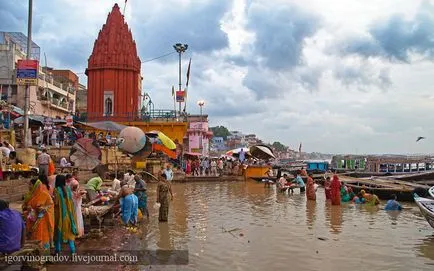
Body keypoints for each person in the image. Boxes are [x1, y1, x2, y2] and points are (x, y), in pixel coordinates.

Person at [22, 178, 54, 253]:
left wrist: (43, 208)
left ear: (35, 186)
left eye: (30, 184)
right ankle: (34, 257)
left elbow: (50, 205)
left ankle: (44, 256)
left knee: (42, 237)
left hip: (42, 221)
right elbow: (24, 207)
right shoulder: (28, 195)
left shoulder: (45, 195)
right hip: (31, 221)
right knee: (32, 238)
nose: (28, 186)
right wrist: (27, 208)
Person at [53, 175, 78, 254]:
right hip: (69, 215)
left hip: (60, 216)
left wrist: (53, 199)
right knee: (70, 234)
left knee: (57, 233)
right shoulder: (67, 189)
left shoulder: (56, 190)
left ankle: (58, 251)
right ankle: (73, 251)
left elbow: (56, 203)